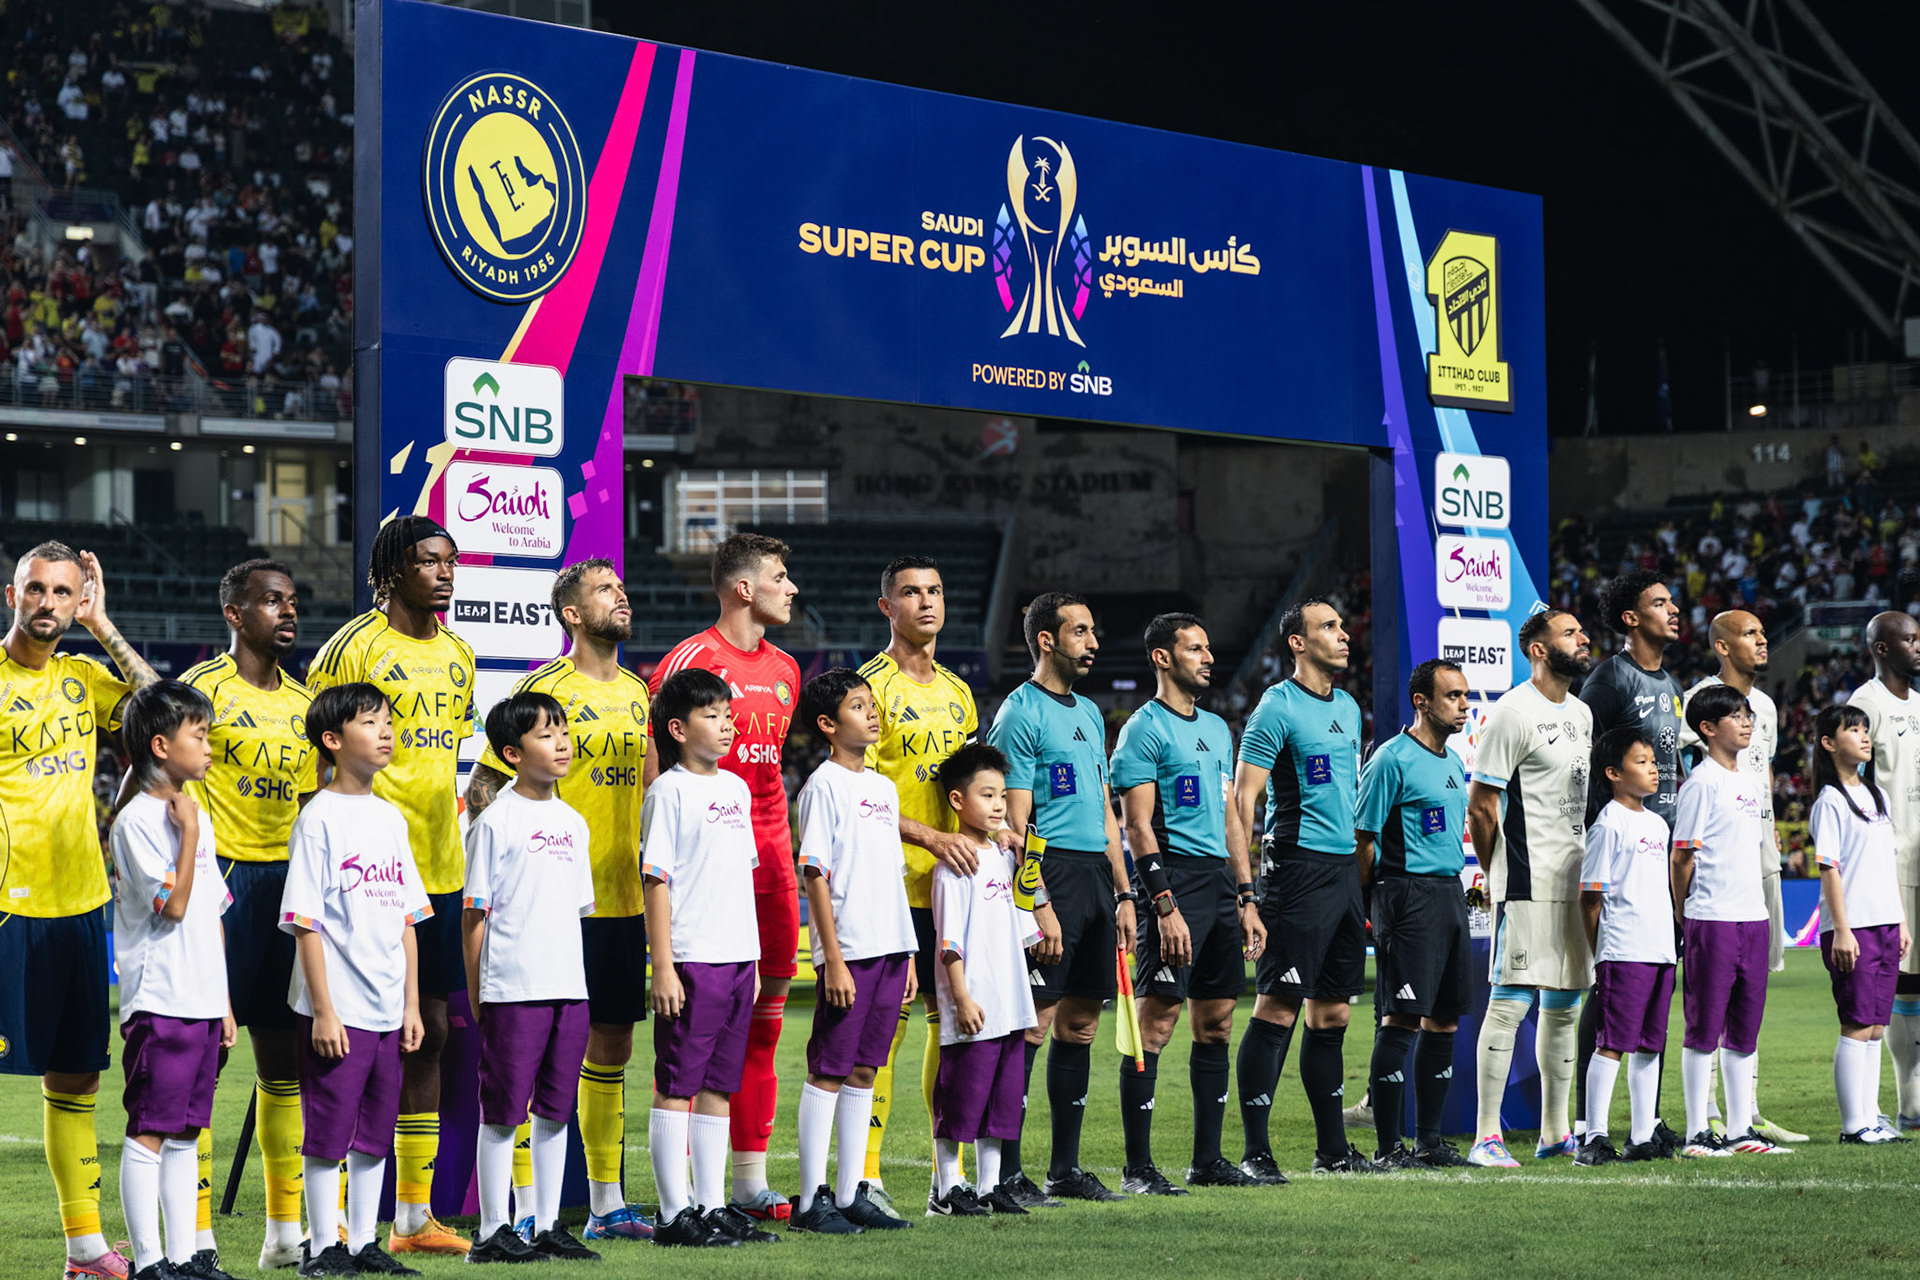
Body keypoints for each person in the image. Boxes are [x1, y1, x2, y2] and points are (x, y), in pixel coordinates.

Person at [465, 559, 654, 1242]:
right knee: (526, 1068)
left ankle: (604, 1204)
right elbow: (486, 788)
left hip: (624, 899)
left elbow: (652, 792)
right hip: (549, 916)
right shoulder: (545, 689)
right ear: (572, 613)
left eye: (620, 587)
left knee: (611, 1050)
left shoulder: (638, 691)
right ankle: (514, 1217)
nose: (621, 595)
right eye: (605, 590)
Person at [305, 517, 475, 1257]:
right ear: (391, 572)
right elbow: (319, 748)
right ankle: (333, 1216)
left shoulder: (461, 654)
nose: (443, 573)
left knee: (428, 1033)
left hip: (438, 872)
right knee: (348, 1043)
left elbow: (451, 771)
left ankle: (410, 1217)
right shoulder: (355, 646)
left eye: (450, 562)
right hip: (360, 880)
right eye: (428, 562)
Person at [0, 541, 157, 1280]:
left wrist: (104, 626)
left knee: (75, 1079)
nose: (47, 603)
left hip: (78, 908)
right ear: (12, 595)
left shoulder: (84, 678)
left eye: (63, 593)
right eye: (36, 589)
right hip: (5, 910)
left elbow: (168, 720)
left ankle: (85, 1250)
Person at [647, 533, 802, 1221]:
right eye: (779, 575)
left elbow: (767, 779)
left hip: (770, 859)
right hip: (703, 876)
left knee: (762, 1026)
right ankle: (681, 1205)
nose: (791, 586)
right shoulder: (691, 661)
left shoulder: (789, 669)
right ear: (745, 588)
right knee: (685, 1054)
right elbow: (660, 763)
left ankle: (743, 1186)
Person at [181, 560, 317, 1270]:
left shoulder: (304, 702)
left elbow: (307, 807)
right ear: (235, 614)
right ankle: (197, 1234)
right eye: (271, 602)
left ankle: (282, 1233)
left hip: (286, 883)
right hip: (224, 883)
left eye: (292, 602)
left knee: (284, 1057)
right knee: (204, 1056)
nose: (286, 613)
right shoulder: (203, 690)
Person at [857, 555, 1001, 1212]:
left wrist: (987, 838)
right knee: (887, 1030)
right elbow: (861, 795)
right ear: (887, 607)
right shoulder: (869, 688)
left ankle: (951, 1179)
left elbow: (969, 792)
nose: (926, 602)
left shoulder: (959, 690)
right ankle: (867, 1178)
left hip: (956, 886)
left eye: (935, 591)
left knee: (959, 1028)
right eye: (910, 592)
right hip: (891, 884)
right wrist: (930, 839)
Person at [1110, 613, 1263, 1193]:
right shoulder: (1142, 730)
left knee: (1217, 1021)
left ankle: (1207, 1161)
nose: (1208, 658)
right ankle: (1138, 1169)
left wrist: (1247, 897)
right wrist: (1163, 903)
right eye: (1194, 648)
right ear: (1162, 658)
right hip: (1172, 884)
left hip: (1220, 886)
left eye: (1208, 647)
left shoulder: (1220, 730)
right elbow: (1137, 826)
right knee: (1158, 1021)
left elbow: (1230, 820)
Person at [279, 683, 429, 1277]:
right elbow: (305, 923)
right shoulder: (318, 819)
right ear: (333, 741)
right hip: (337, 1007)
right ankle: (322, 1247)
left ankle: (364, 1243)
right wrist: (322, 1009)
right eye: (370, 722)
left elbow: (408, 921)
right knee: (328, 1134)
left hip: (388, 1007)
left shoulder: (391, 817)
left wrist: (412, 1004)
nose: (386, 730)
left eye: (388, 719)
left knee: (373, 1133)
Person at [987, 592, 1130, 1202]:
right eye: (1080, 631)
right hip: (1051, 876)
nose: (1093, 642)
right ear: (1046, 640)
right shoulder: (1019, 714)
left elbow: (1105, 811)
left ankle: (1064, 1170)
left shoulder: (1093, 714)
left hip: (1097, 876)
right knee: (1034, 1024)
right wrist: (1038, 901)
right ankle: (1009, 1171)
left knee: (1080, 1026)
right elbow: (1011, 825)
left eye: (1093, 631)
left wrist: (1125, 895)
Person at [1232, 598, 1370, 1177]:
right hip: (1296, 870)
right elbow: (1242, 801)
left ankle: (1332, 1150)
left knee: (1332, 1013)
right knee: (1278, 1005)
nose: (1343, 636)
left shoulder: (1348, 706)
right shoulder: (1276, 708)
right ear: (1297, 642)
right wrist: (1246, 893)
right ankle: (1256, 1153)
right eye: (1329, 627)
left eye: (1342, 626)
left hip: (1343, 874)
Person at [641, 669, 778, 1250]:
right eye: (713, 716)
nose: (727, 725)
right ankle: (674, 1215)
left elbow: (740, 880)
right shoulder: (667, 792)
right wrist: (664, 965)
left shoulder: (736, 790)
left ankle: (711, 1204)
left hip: (735, 957)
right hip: (692, 957)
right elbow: (657, 881)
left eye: (729, 714)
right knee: (678, 1082)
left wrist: (751, 960)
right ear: (677, 727)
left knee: (720, 1085)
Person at [463, 692, 599, 1263]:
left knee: (554, 1109)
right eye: (547, 734)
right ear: (513, 754)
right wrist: (478, 995)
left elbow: (577, 911)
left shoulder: (573, 820)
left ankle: (545, 1225)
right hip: (512, 990)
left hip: (568, 989)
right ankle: (493, 1231)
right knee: (502, 1113)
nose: (563, 741)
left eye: (564, 730)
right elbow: (474, 915)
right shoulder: (494, 821)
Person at [109, 682, 238, 1280]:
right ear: (161, 745)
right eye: (200, 735)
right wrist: (186, 833)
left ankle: (187, 1260)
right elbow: (175, 906)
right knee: (151, 1133)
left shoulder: (196, 814)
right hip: (160, 998)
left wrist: (225, 1004)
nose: (209, 746)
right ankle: (150, 1262)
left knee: (187, 1133)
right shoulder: (137, 820)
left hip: (201, 999)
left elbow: (210, 911)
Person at [789, 669, 918, 1234]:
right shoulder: (823, 786)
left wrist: (909, 954)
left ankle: (848, 1195)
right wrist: (832, 958)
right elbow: (814, 872)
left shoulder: (883, 789)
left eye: (873, 705)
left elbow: (891, 873)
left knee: (866, 1068)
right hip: (851, 951)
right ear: (827, 724)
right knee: (830, 1069)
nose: (873, 713)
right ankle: (809, 1199)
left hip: (891, 947)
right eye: (859, 706)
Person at [1466, 609, 1594, 1168]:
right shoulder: (1512, 713)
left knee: (1564, 1006)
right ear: (1540, 650)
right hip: (1525, 878)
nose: (1583, 639)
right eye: (1570, 634)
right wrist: (1500, 871)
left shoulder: (1584, 714)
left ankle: (1553, 1131)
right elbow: (1481, 804)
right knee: (1510, 1003)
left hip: (1574, 876)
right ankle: (1486, 1136)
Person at [1678, 610, 1804, 1146]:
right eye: (1751, 634)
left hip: (1758, 850)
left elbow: (1762, 773)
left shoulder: (1767, 707)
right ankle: (1703, 1116)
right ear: (1723, 646)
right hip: (1714, 868)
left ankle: (1744, 1113)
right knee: (1710, 1004)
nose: (1763, 641)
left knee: (1752, 989)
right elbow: (1694, 775)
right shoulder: (1700, 701)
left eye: (1762, 633)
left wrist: (1767, 836)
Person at [1572, 570, 1683, 1148]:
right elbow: (1587, 755)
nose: (1674, 609)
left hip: (1659, 842)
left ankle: (1645, 1124)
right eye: (1660, 603)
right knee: (1612, 999)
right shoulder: (1609, 679)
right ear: (1632, 618)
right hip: (1621, 843)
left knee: (1650, 1016)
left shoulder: (1668, 682)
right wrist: (1606, 822)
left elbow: (1672, 764)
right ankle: (1586, 1123)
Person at [1356, 658, 1473, 1169]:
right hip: (1405, 895)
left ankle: (1429, 1142)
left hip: (1449, 893)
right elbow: (1363, 838)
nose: (1464, 705)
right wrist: (1372, 903)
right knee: (1401, 1017)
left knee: (1443, 1020)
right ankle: (1387, 1149)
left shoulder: (1453, 761)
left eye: (1466, 695)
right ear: (1422, 702)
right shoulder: (1390, 760)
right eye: (1453, 696)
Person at [928, 744, 1041, 1217]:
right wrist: (962, 997)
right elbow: (949, 944)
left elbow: (1022, 928)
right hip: (974, 1005)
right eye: (987, 795)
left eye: (1001, 795)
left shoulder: (1001, 856)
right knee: (960, 1103)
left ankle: (990, 1187)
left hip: (1009, 1003)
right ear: (957, 801)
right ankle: (948, 1189)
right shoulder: (954, 865)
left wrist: (1030, 859)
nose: (998, 805)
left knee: (999, 1105)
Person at [1809, 705, 1912, 1143]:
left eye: (1866, 729)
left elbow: (1885, 863)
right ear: (1830, 743)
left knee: (1876, 1025)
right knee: (1855, 1022)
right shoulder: (1830, 801)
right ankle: (1854, 1126)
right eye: (1853, 730)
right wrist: (1843, 929)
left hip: (1887, 923)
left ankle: (1870, 1117)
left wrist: (1902, 920)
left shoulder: (1877, 796)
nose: (1864, 737)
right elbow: (1829, 868)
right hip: (1855, 927)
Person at [1575, 729, 1676, 1165]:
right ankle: (1593, 1138)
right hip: (1624, 949)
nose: (1652, 768)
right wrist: (1604, 951)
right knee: (1612, 1043)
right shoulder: (1608, 823)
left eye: (1653, 761)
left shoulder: (1657, 823)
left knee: (1651, 1043)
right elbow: (1590, 896)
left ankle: (1641, 1134)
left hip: (1660, 949)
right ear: (1613, 773)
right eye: (1641, 762)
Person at [1847, 611, 1920, 1131]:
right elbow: (1851, 786)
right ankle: (1904, 1101)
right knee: (1901, 983)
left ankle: (1912, 1105)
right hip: (1893, 864)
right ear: (1881, 649)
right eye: (1909, 640)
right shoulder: (1864, 705)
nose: (1918, 647)